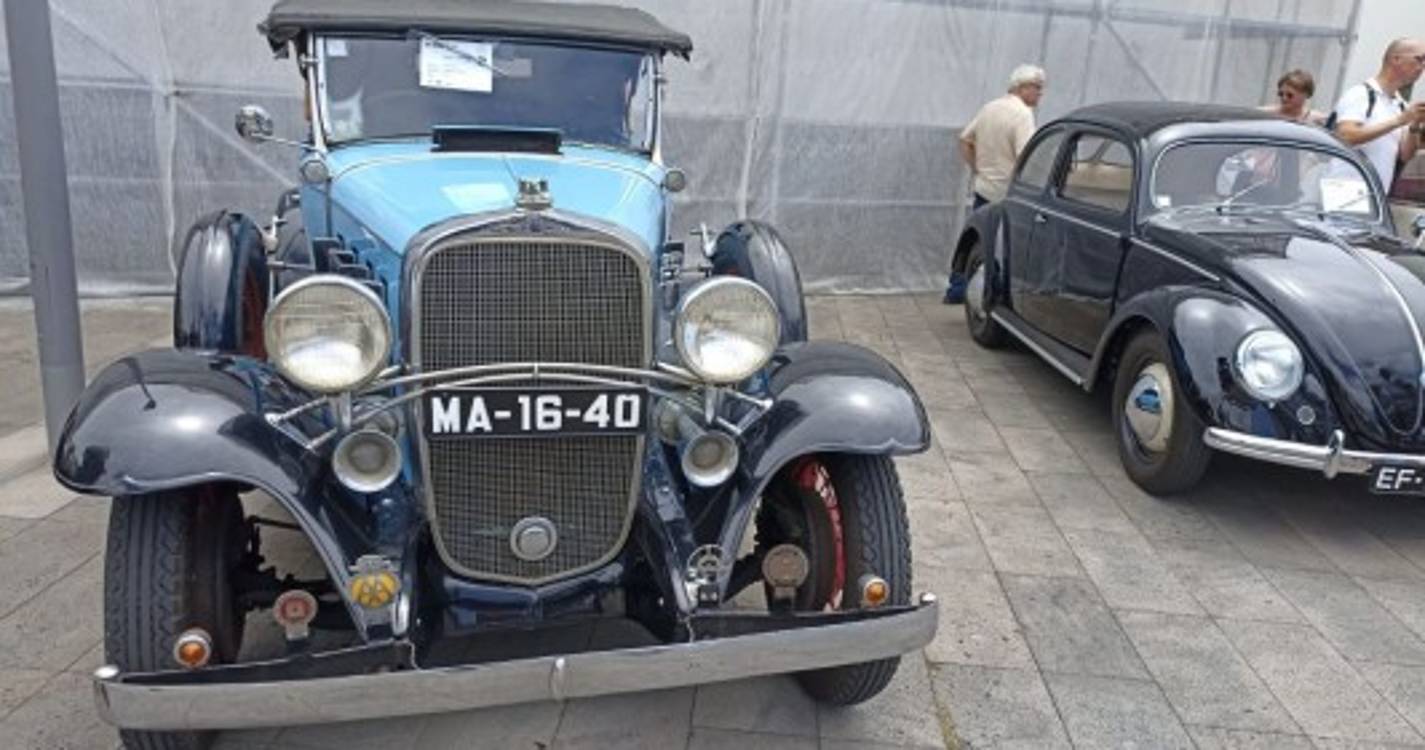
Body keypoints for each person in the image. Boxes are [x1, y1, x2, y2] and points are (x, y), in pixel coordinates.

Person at [944, 64, 1044, 303]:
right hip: (1007, 194)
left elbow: (965, 140)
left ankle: (957, 290)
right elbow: (1025, 156)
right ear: (1023, 87)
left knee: (977, 240)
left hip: (984, 188)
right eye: (1038, 88)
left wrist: (978, 169)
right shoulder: (1022, 115)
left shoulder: (991, 107)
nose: (1041, 94)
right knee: (1003, 249)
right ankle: (994, 298)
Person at [1329, 38, 1425, 192]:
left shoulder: (1401, 105)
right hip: (1344, 192)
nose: (1422, 67)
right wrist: (1399, 121)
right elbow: (1346, 136)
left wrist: (1415, 125)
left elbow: (1405, 155)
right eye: (1419, 59)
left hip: (1375, 197)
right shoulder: (1361, 94)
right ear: (1396, 59)